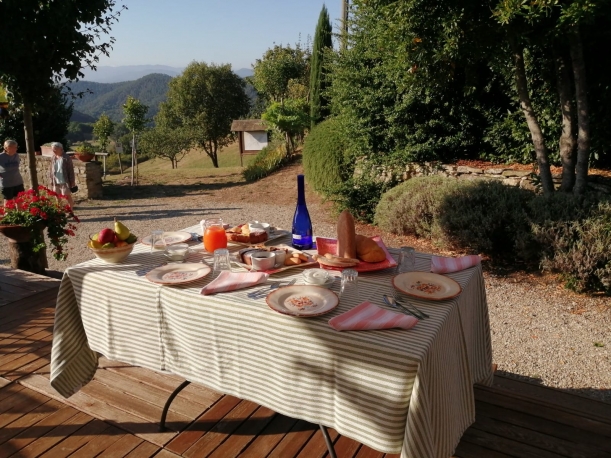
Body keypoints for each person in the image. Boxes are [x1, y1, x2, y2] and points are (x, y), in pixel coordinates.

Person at [49, 142, 76, 208]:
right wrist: (51, 179)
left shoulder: (66, 158)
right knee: (57, 196)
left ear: (60, 149)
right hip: (56, 180)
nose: (53, 151)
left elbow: (70, 170)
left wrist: (72, 181)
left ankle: (71, 211)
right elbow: (51, 169)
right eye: (52, 149)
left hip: (64, 181)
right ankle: (59, 211)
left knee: (67, 196)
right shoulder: (53, 158)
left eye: (55, 149)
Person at [0, 139, 25, 205]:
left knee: (19, 200)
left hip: (18, 182)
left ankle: (20, 214)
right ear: (7, 148)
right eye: (14, 147)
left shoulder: (16, 155)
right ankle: (8, 215)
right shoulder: (1, 157)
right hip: (7, 184)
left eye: (16, 147)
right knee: (8, 202)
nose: (16, 149)